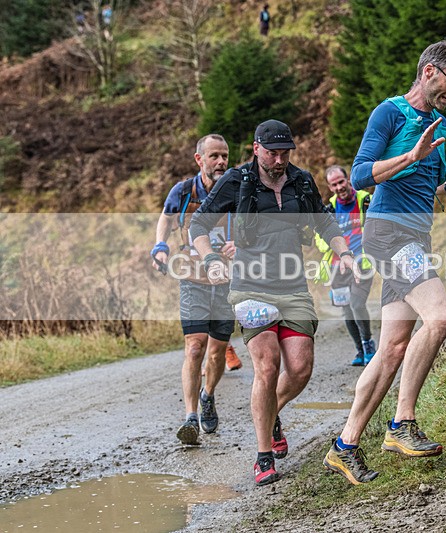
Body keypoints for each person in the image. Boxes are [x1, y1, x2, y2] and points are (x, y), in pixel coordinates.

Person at [323, 39, 446, 485]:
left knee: (391, 349)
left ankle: (345, 445)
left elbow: (430, 180)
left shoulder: (439, 122)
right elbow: (358, 175)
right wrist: (410, 155)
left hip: (415, 237)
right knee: (443, 315)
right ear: (429, 72)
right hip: (388, 233)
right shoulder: (390, 113)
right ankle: (401, 424)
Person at [189, 120, 354, 486]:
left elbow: (325, 223)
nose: (279, 160)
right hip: (250, 286)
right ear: (256, 148)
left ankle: (270, 412)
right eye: (271, 153)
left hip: (293, 286)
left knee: (300, 368)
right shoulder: (238, 179)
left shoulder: (301, 180)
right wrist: (212, 260)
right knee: (267, 365)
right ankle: (264, 456)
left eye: (284, 153)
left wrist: (344, 253)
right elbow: (198, 226)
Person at [150, 134, 239, 446]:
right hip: (192, 278)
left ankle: (208, 395)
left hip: (227, 280)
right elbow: (166, 217)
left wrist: (239, 242)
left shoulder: (237, 187)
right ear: (199, 159)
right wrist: (160, 246)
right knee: (195, 346)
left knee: (217, 351)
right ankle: (189, 417)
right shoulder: (184, 191)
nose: (221, 162)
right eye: (214, 156)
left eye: (224, 156)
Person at [315, 165, 377, 366]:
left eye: (341, 181)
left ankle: (368, 344)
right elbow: (320, 239)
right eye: (334, 184)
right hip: (337, 268)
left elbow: (377, 226)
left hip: (363, 263)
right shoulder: (329, 209)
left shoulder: (365, 200)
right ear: (330, 187)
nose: (339, 187)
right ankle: (360, 351)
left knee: (357, 304)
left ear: (348, 179)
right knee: (346, 311)